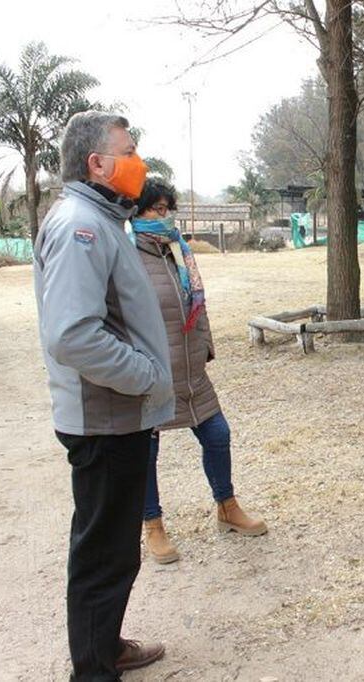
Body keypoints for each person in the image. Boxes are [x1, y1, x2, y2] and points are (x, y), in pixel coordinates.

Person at [33, 111, 173, 680]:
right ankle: (93, 669)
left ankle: (105, 646)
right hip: (104, 418)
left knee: (114, 548)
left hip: (118, 416)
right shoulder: (80, 226)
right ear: (98, 163)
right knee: (102, 554)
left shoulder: (100, 219)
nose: (139, 161)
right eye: (130, 150)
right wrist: (143, 374)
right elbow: (72, 334)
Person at [130, 179, 268, 564]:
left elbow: (197, 305)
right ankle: (153, 525)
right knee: (148, 452)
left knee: (217, 434)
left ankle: (226, 506)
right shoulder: (126, 256)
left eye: (166, 208)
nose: (164, 216)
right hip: (152, 375)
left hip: (191, 371)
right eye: (155, 209)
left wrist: (204, 347)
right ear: (137, 213)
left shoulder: (180, 252)